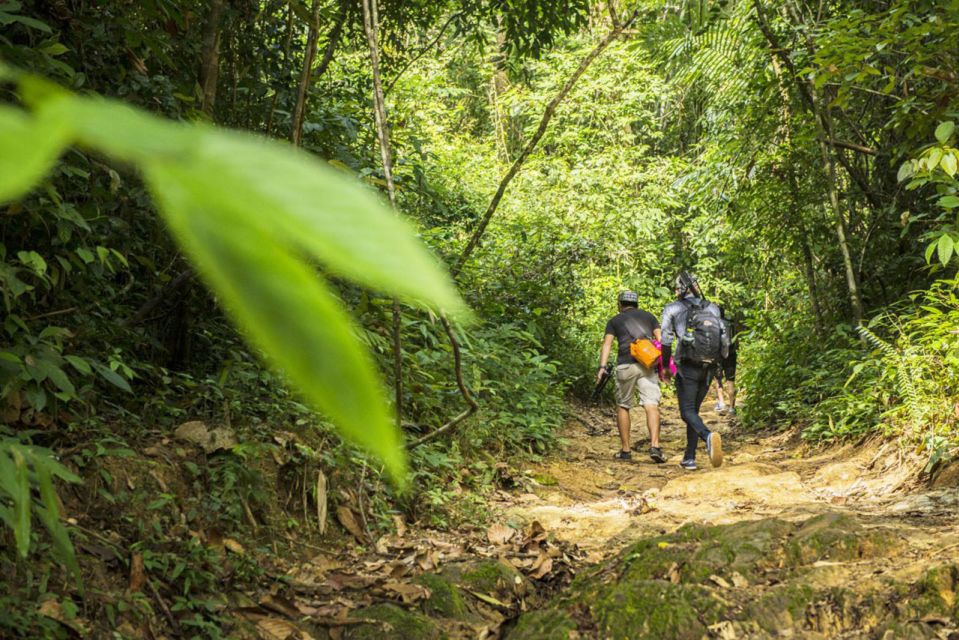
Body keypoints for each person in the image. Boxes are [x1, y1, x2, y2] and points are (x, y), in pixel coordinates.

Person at [660, 272, 725, 470]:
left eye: (676, 287)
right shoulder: (712, 307)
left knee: (686, 411)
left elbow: (666, 340)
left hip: (687, 365)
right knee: (693, 411)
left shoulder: (672, 308)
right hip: (709, 366)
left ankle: (707, 436)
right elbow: (723, 338)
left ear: (683, 288)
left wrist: (665, 366)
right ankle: (689, 457)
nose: (675, 291)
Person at [597, 290, 665, 463]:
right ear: (636, 303)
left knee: (623, 406)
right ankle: (655, 446)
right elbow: (661, 340)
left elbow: (607, 344)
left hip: (625, 365)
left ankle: (626, 450)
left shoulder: (614, 321)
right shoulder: (649, 317)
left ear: (620, 304)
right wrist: (664, 365)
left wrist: (602, 367)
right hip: (647, 365)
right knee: (651, 404)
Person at [713, 306, 738, 416]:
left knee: (718, 379)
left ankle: (721, 403)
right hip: (731, 354)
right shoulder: (730, 323)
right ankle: (732, 407)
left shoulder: (712, 324)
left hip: (717, 355)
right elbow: (736, 341)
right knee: (730, 380)